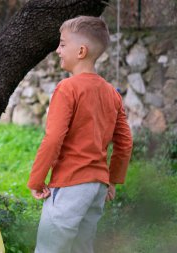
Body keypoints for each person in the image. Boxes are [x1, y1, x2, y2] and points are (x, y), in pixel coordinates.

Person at [27, 16, 133, 253]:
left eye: (63, 44)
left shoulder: (67, 88)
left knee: (49, 248)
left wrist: (36, 179)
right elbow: (125, 143)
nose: (58, 50)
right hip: (97, 187)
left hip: (70, 184)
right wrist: (112, 180)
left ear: (81, 51)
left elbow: (53, 138)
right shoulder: (111, 93)